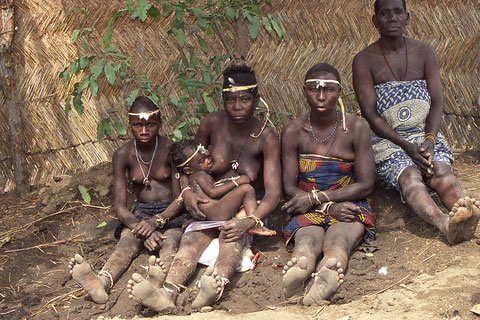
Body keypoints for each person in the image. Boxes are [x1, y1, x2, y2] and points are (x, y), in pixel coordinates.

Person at [126, 64, 281, 312]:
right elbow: (187, 164)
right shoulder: (211, 123)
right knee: (190, 242)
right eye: (230, 99)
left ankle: (212, 288)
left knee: (232, 240)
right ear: (222, 99)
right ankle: (167, 294)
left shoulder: (267, 137)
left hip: (244, 210)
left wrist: (250, 220)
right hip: (209, 205)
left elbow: (274, 192)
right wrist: (187, 192)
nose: (237, 106)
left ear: (256, 99)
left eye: (244, 99)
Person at [352, 0, 480, 245]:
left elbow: (437, 102)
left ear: (407, 18)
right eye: (385, 13)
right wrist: (406, 146)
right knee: (410, 177)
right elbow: (370, 114)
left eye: (398, 12)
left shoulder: (425, 52)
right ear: (374, 20)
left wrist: (429, 140)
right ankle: (444, 223)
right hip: (387, 139)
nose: (392, 18)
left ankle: (464, 215)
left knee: (441, 170)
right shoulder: (364, 60)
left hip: (423, 135)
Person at [68, 96, 187, 303]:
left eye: (150, 124)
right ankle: (102, 282)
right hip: (142, 212)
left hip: (170, 212)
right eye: (137, 125)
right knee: (126, 241)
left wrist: (157, 221)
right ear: (129, 125)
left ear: (160, 122)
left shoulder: (170, 148)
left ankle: (160, 288)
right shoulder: (122, 154)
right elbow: (121, 208)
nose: (143, 131)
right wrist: (141, 227)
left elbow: (180, 198)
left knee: (170, 242)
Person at [281, 63, 376, 305]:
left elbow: (366, 184)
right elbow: (289, 188)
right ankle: (301, 267)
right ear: (304, 91)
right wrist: (323, 206)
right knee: (307, 241)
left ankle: (327, 273)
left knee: (338, 241)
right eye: (314, 89)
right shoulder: (293, 131)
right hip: (307, 206)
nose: (321, 96)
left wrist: (318, 199)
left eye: (329, 90)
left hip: (348, 203)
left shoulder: (356, 127)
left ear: (339, 92)